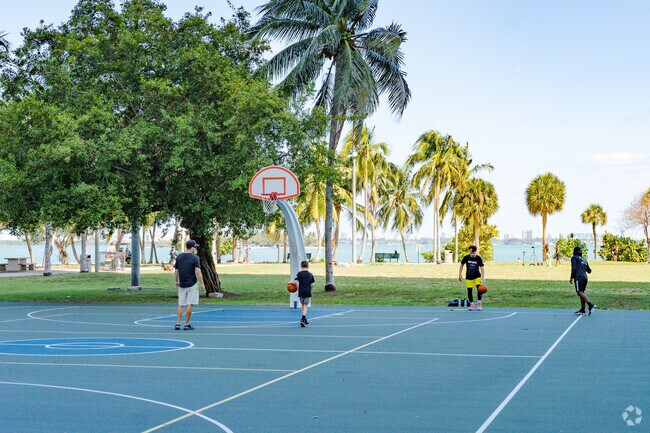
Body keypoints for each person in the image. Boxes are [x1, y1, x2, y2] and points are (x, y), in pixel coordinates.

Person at [174, 240, 205, 330]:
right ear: (191, 247)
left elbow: (176, 271)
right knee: (190, 304)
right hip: (192, 283)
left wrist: (176, 281)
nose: (195, 248)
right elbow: (198, 271)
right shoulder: (195, 258)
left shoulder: (179, 257)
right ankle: (187, 324)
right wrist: (202, 283)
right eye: (195, 247)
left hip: (182, 283)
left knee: (181, 304)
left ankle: (178, 323)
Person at [570, 246, 596, 316]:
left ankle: (590, 305)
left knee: (579, 292)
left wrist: (571, 277)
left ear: (574, 252)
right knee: (582, 293)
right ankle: (582, 310)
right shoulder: (584, 259)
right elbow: (589, 271)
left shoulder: (574, 258)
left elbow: (574, 268)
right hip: (585, 277)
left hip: (578, 277)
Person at [458, 245, 485, 311]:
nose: (472, 254)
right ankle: (472, 304)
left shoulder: (478, 258)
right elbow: (461, 265)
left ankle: (479, 303)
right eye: (471, 253)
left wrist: (483, 277)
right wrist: (460, 274)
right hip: (469, 277)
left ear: (476, 252)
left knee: (480, 290)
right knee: (469, 291)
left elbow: (482, 268)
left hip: (477, 277)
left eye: (473, 253)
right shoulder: (466, 257)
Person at [294, 260, 315, 327]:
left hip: (301, 291)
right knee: (306, 305)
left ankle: (304, 319)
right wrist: (310, 289)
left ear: (301, 266)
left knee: (303, 304)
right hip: (307, 291)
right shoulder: (310, 274)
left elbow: (296, 282)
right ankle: (303, 318)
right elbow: (312, 284)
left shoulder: (299, 274)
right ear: (308, 266)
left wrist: (292, 284)